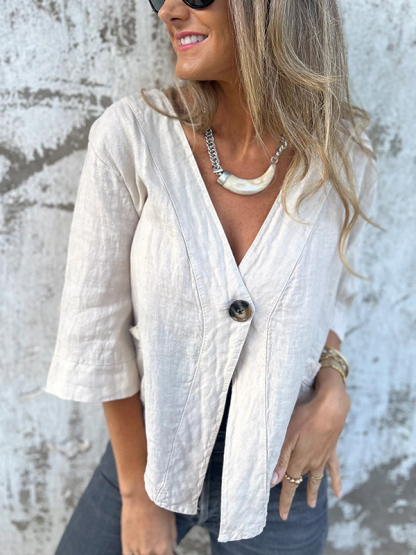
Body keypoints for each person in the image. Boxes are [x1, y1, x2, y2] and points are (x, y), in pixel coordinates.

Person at [44, 0, 380, 553]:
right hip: (148, 450)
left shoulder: (344, 156)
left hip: (283, 468)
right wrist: (136, 494)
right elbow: (96, 326)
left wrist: (332, 387)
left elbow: (334, 302)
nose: (168, 12)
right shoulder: (133, 136)